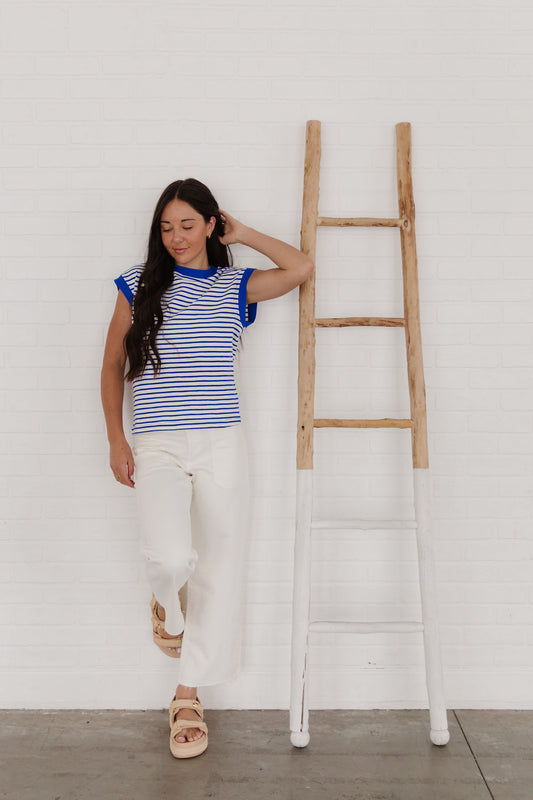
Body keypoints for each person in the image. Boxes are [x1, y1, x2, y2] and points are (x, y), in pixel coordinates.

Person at [100, 177, 314, 759]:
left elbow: (299, 268)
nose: (176, 237)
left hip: (222, 442)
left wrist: (244, 234)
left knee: (219, 569)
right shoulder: (139, 283)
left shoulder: (231, 285)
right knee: (170, 556)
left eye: (188, 225)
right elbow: (113, 361)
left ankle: (187, 696)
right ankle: (165, 600)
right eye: (166, 227)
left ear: (210, 225)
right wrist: (117, 439)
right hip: (157, 443)